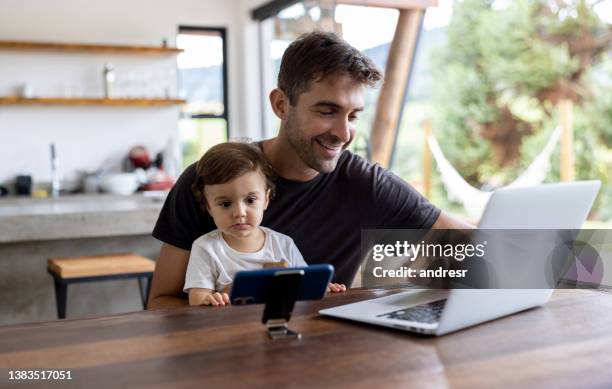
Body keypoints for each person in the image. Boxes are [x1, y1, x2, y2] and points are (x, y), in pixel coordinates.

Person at [149, 31, 471, 309]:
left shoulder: (366, 184)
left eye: (353, 115)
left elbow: (470, 243)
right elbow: (160, 302)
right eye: (327, 111)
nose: (344, 134)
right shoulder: (210, 179)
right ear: (280, 105)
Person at [184, 142, 346, 307]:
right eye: (225, 204)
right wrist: (211, 299)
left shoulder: (283, 244)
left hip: (276, 320)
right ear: (208, 207)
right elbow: (197, 299)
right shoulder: (206, 248)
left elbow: (303, 283)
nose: (239, 212)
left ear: (266, 199)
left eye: (250, 200)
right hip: (229, 328)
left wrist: (323, 287)